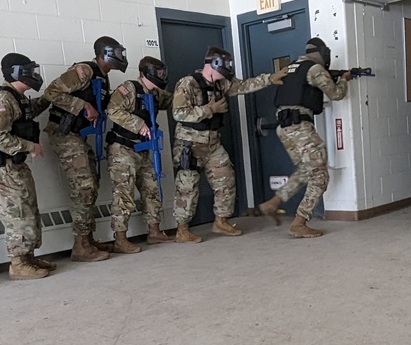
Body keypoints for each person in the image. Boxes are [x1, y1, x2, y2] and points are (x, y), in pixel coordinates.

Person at [171, 46, 285, 242]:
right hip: (190, 144)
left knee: (226, 179)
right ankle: (182, 230)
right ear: (212, 65)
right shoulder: (187, 83)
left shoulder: (220, 84)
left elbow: (243, 86)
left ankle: (221, 221)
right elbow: (179, 113)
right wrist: (210, 109)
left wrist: (269, 79)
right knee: (187, 187)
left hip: (213, 143)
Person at [43, 36, 129, 263]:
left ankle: (87, 240)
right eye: (117, 53)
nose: (121, 58)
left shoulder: (103, 77)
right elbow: (51, 92)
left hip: (77, 136)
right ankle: (81, 245)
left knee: (92, 185)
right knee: (84, 186)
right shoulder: (85, 70)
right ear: (106, 53)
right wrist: (83, 105)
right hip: (64, 134)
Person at [257, 37, 351, 238]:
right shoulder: (315, 70)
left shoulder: (293, 68)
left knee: (306, 169)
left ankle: (273, 203)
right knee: (320, 175)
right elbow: (335, 94)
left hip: (284, 127)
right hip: (300, 127)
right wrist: (343, 79)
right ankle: (300, 221)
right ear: (322, 54)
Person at [0, 53, 54, 280]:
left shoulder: (17, 98)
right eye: (29, 70)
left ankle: (27, 257)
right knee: (16, 213)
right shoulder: (3, 99)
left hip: (14, 165)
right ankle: (18, 263)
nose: (34, 75)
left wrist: (52, 95)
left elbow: (29, 112)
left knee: (28, 210)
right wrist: (29, 146)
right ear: (16, 73)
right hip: (2, 167)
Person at [105, 56, 175, 253]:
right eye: (158, 73)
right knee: (123, 194)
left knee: (152, 189)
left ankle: (154, 231)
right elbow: (112, 110)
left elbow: (172, 101)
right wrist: (138, 124)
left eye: (163, 73)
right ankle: (120, 239)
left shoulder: (156, 93)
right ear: (146, 73)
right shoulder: (129, 89)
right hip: (123, 149)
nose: (162, 77)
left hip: (144, 149)